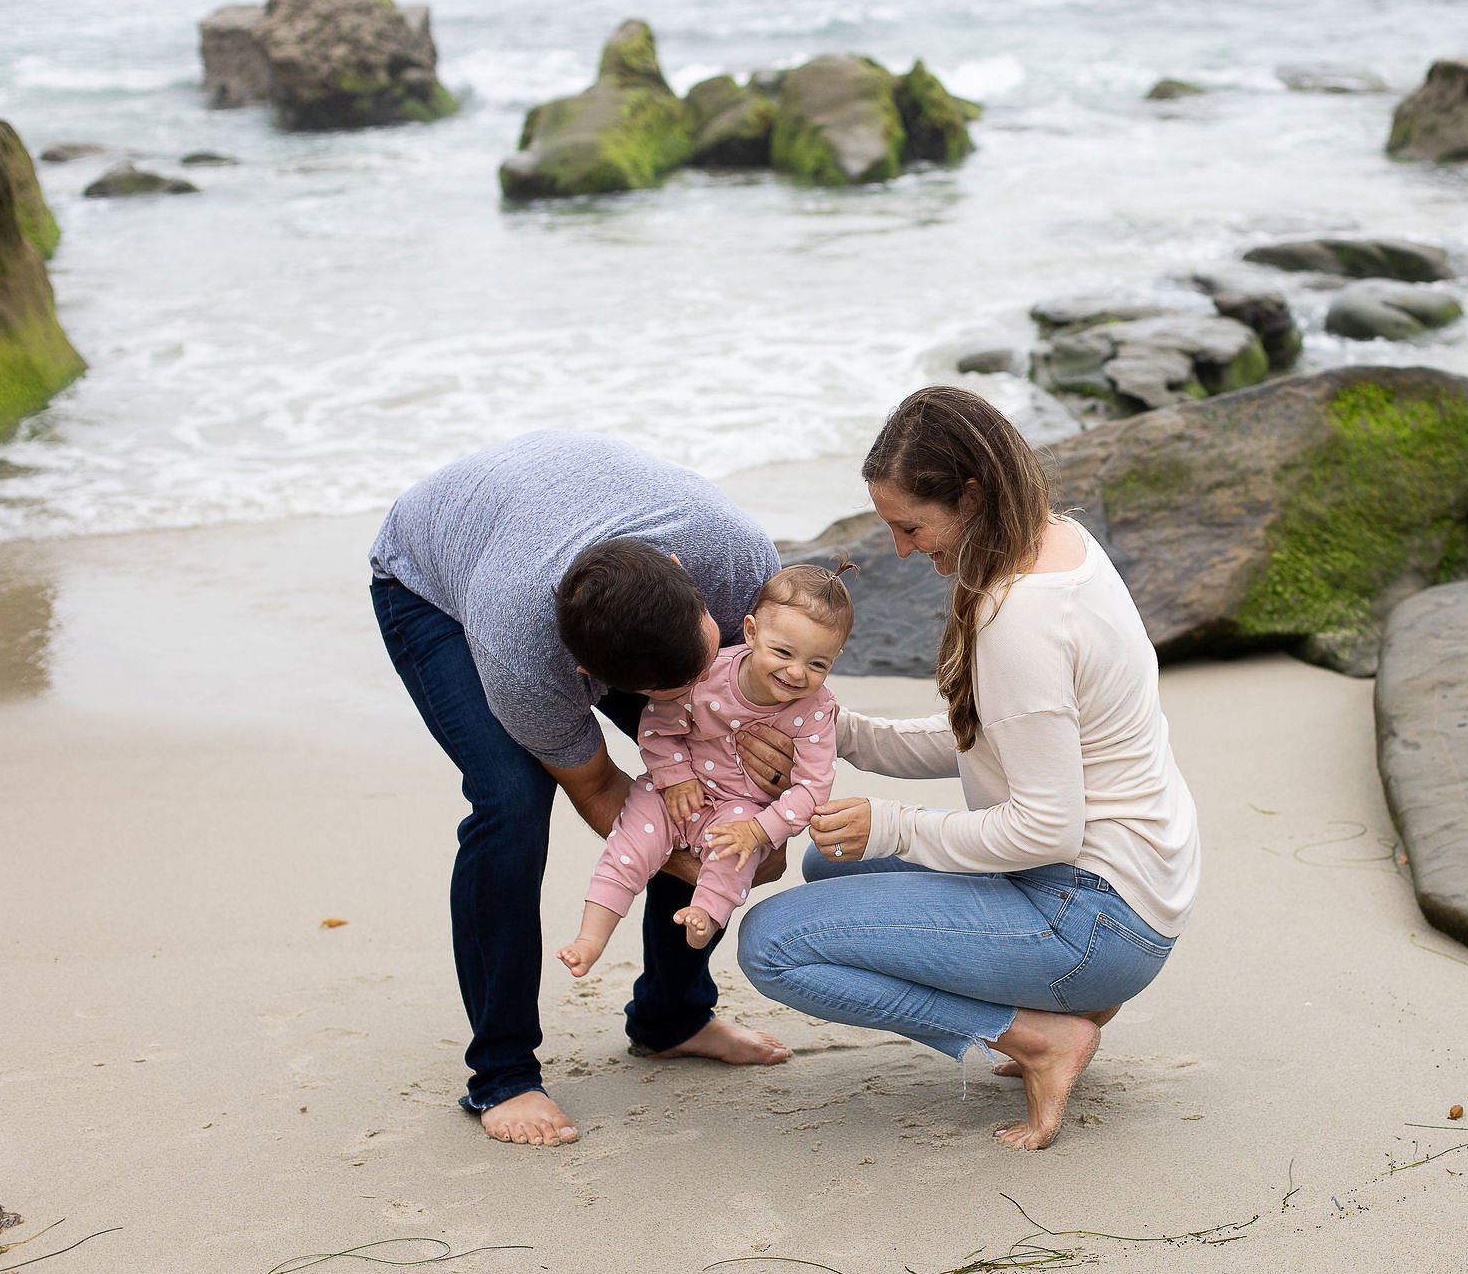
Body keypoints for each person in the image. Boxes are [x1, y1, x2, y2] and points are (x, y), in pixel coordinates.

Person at [736, 386, 1200, 1150]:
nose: (903, 551)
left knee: (773, 945)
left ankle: (1037, 1036)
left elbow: (1048, 828)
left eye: (911, 526)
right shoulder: (1059, 543)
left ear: (973, 495)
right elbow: (988, 739)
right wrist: (837, 731)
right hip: (1138, 885)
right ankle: (1067, 1010)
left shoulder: (1021, 617)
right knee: (831, 861)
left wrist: (892, 823)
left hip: (1093, 917)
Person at [370, 430, 796, 1148]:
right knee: (510, 801)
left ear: (683, 575)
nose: (694, 692)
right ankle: (501, 1073)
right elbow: (600, 787)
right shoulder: (523, 652)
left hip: (555, 512)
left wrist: (758, 817)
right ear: (586, 677)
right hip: (430, 580)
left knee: (712, 770)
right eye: (667, 690)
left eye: (701, 660)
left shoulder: (739, 562)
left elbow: (777, 729)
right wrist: (709, 866)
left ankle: (673, 1017)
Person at [557, 565, 850, 970]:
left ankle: (707, 915)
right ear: (750, 632)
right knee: (630, 846)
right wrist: (675, 777)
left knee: (735, 852)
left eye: (818, 664)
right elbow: (659, 727)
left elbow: (812, 789)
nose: (797, 672)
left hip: (742, 808)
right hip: (677, 791)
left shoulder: (816, 711)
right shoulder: (710, 674)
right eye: (783, 653)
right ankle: (590, 937)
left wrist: (761, 829)